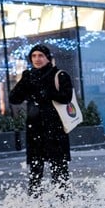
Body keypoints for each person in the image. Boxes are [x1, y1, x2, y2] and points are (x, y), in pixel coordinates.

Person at [9, 44, 73, 196]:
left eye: (40, 56)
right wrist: (25, 85)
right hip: (35, 128)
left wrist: (47, 93)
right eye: (34, 56)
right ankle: (35, 205)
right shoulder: (28, 76)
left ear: (48, 58)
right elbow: (14, 98)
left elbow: (66, 97)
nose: (37, 59)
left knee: (59, 170)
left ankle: (64, 206)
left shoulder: (59, 75)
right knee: (35, 172)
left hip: (55, 128)